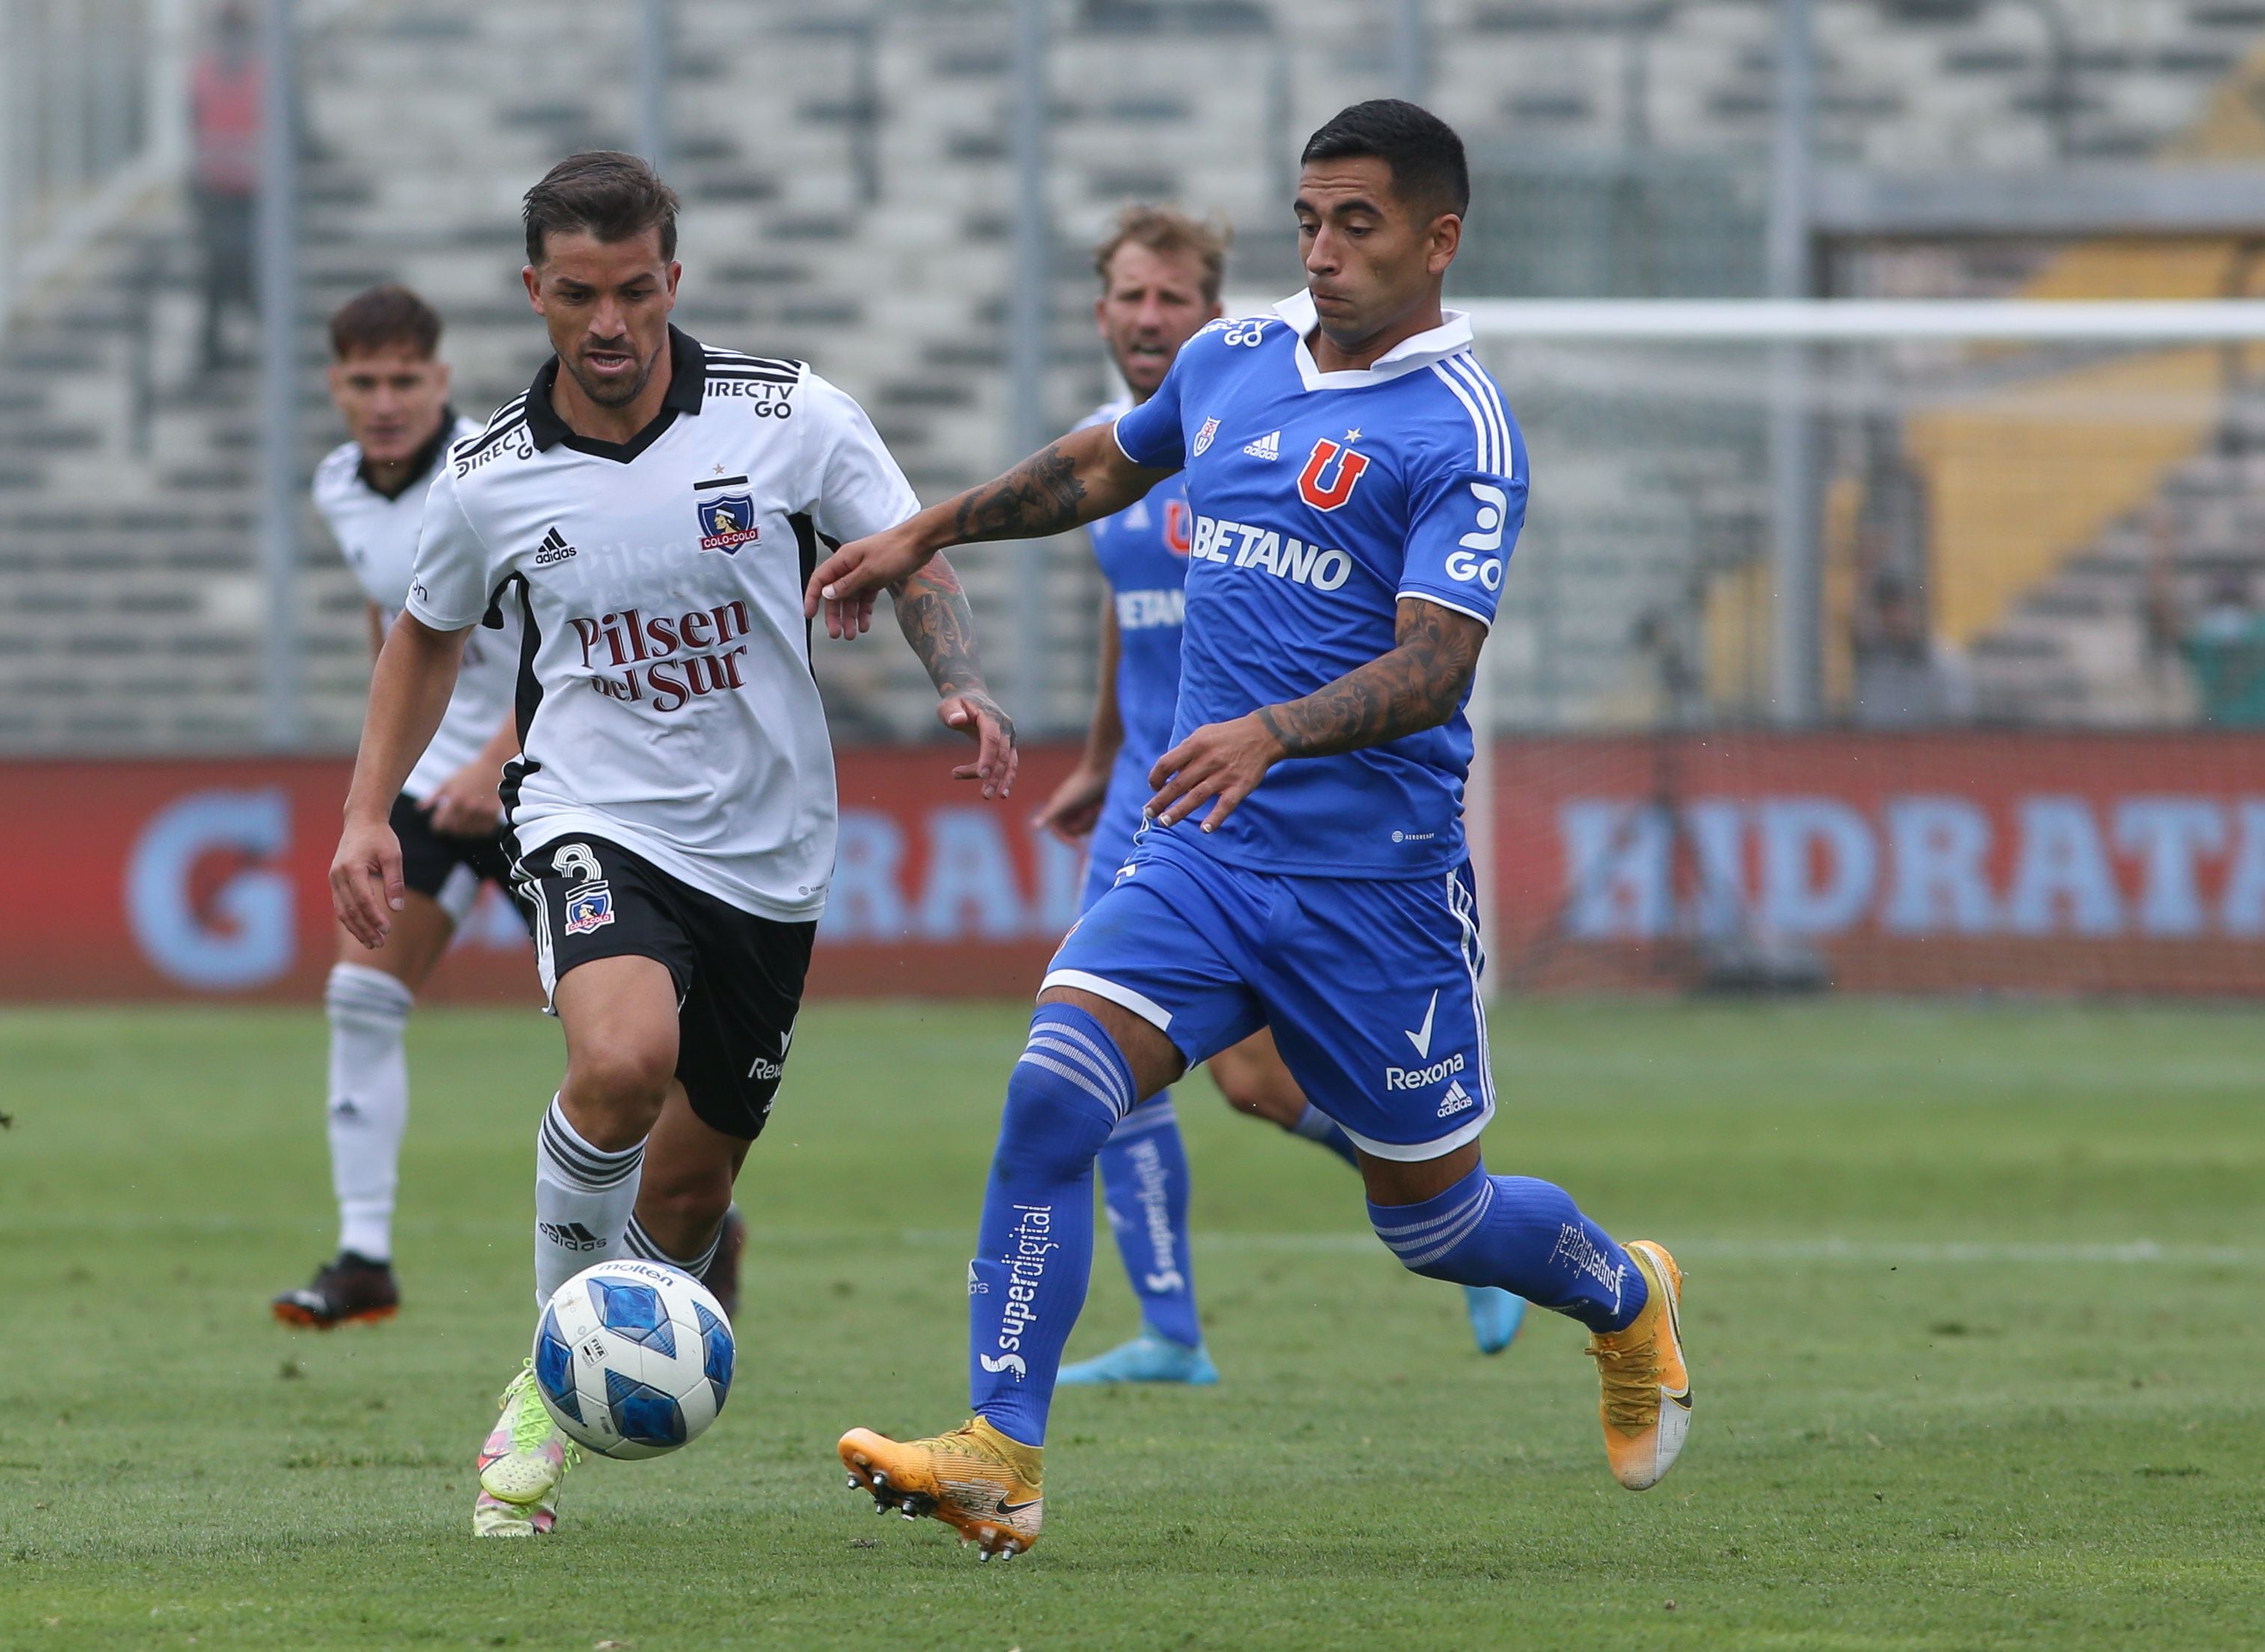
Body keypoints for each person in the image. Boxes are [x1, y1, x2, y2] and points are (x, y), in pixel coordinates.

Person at [814, 101, 1691, 1561]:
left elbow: (1437, 663)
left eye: (1358, 223)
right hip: (1204, 855)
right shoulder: (1232, 361)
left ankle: (1625, 1292)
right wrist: (933, 527)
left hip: (1375, 887)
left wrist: (1274, 726)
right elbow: (1104, 464)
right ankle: (999, 1453)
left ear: (1437, 237)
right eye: (1307, 220)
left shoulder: (1460, 429)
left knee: (1433, 1223)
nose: (1325, 250)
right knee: (1051, 1097)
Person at [327, 151, 1017, 1538]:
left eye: (634, 289)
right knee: (621, 1059)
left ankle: (600, 1352)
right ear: (534, 292)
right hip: (593, 810)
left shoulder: (791, 417)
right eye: (576, 293)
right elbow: (425, 636)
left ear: (672, 280)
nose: (609, 323)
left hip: (771, 850)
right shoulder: (488, 475)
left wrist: (960, 674)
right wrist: (363, 811)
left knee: (692, 1191)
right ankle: (543, 1389)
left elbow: (912, 553)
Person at [1036, 206, 1526, 1387]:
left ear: (1211, 311)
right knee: (1079, 1068)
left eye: (1172, 298)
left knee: (1257, 1085)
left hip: (1270, 810)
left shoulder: (1257, 428)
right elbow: (1134, 627)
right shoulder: (1107, 456)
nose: (1148, 319)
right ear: (1100, 311)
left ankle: (1460, 1219)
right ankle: (1166, 1331)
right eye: (1128, 297)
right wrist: (1102, 756)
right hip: (1152, 805)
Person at [270, 285, 542, 1330]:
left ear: (441, 382)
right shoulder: (338, 483)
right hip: (434, 788)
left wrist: (494, 759)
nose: (384, 402)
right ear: (337, 388)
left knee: (613, 1035)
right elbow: (398, 629)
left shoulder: (499, 473)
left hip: (545, 771)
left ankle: (697, 1221)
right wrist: (388, 785)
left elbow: (574, 634)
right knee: (360, 997)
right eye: (364, 382)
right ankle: (364, 1257)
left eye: (404, 381)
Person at [189, 2, 261, 373]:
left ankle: (254, 349)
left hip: (253, 196)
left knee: (249, 274)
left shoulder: (262, 79)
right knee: (219, 275)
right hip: (218, 194)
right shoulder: (203, 78)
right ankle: (214, 353)